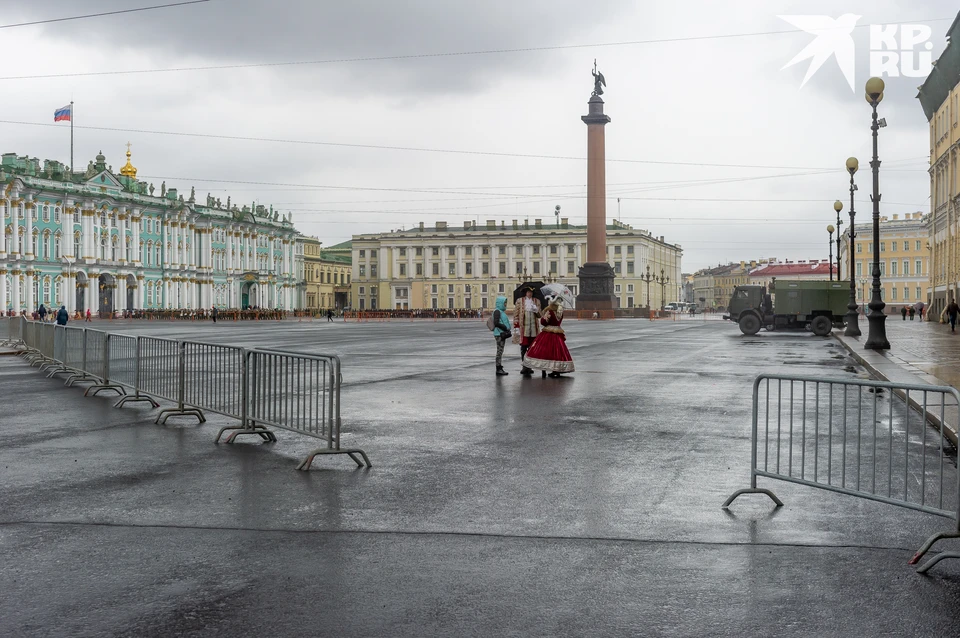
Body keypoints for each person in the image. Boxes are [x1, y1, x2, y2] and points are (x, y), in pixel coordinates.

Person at [523, 295, 575, 378]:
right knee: (557, 352)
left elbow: (543, 322)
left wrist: (544, 318)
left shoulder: (549, 311)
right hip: (558, 333)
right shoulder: (560, 311)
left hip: (548, 333)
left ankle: (544, 369)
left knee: (545, 351)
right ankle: (556, 370)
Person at [513, 287, 541, 375]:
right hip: (524, 328)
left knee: (532, 347)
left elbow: (540, 315)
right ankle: (524, 366)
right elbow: (516, 314)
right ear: (525, 293)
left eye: (531, 292)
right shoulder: (520, 301)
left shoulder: (536, 301)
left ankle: (529, 366)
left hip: (533, 329)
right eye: (528, 292)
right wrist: (516, 326)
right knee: (523, 347)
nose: (530, 294)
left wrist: (536, 310)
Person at [492, 296, 512, 376]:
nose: (505, 304)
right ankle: (498, 368)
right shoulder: (497, 311)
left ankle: (499, 367)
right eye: (504, 302)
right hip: (499, 334)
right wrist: (505, 327)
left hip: (501, 333)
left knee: (500, 351)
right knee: (499, 351)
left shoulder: (501, 311)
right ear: (500, 303)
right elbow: (496, 323)